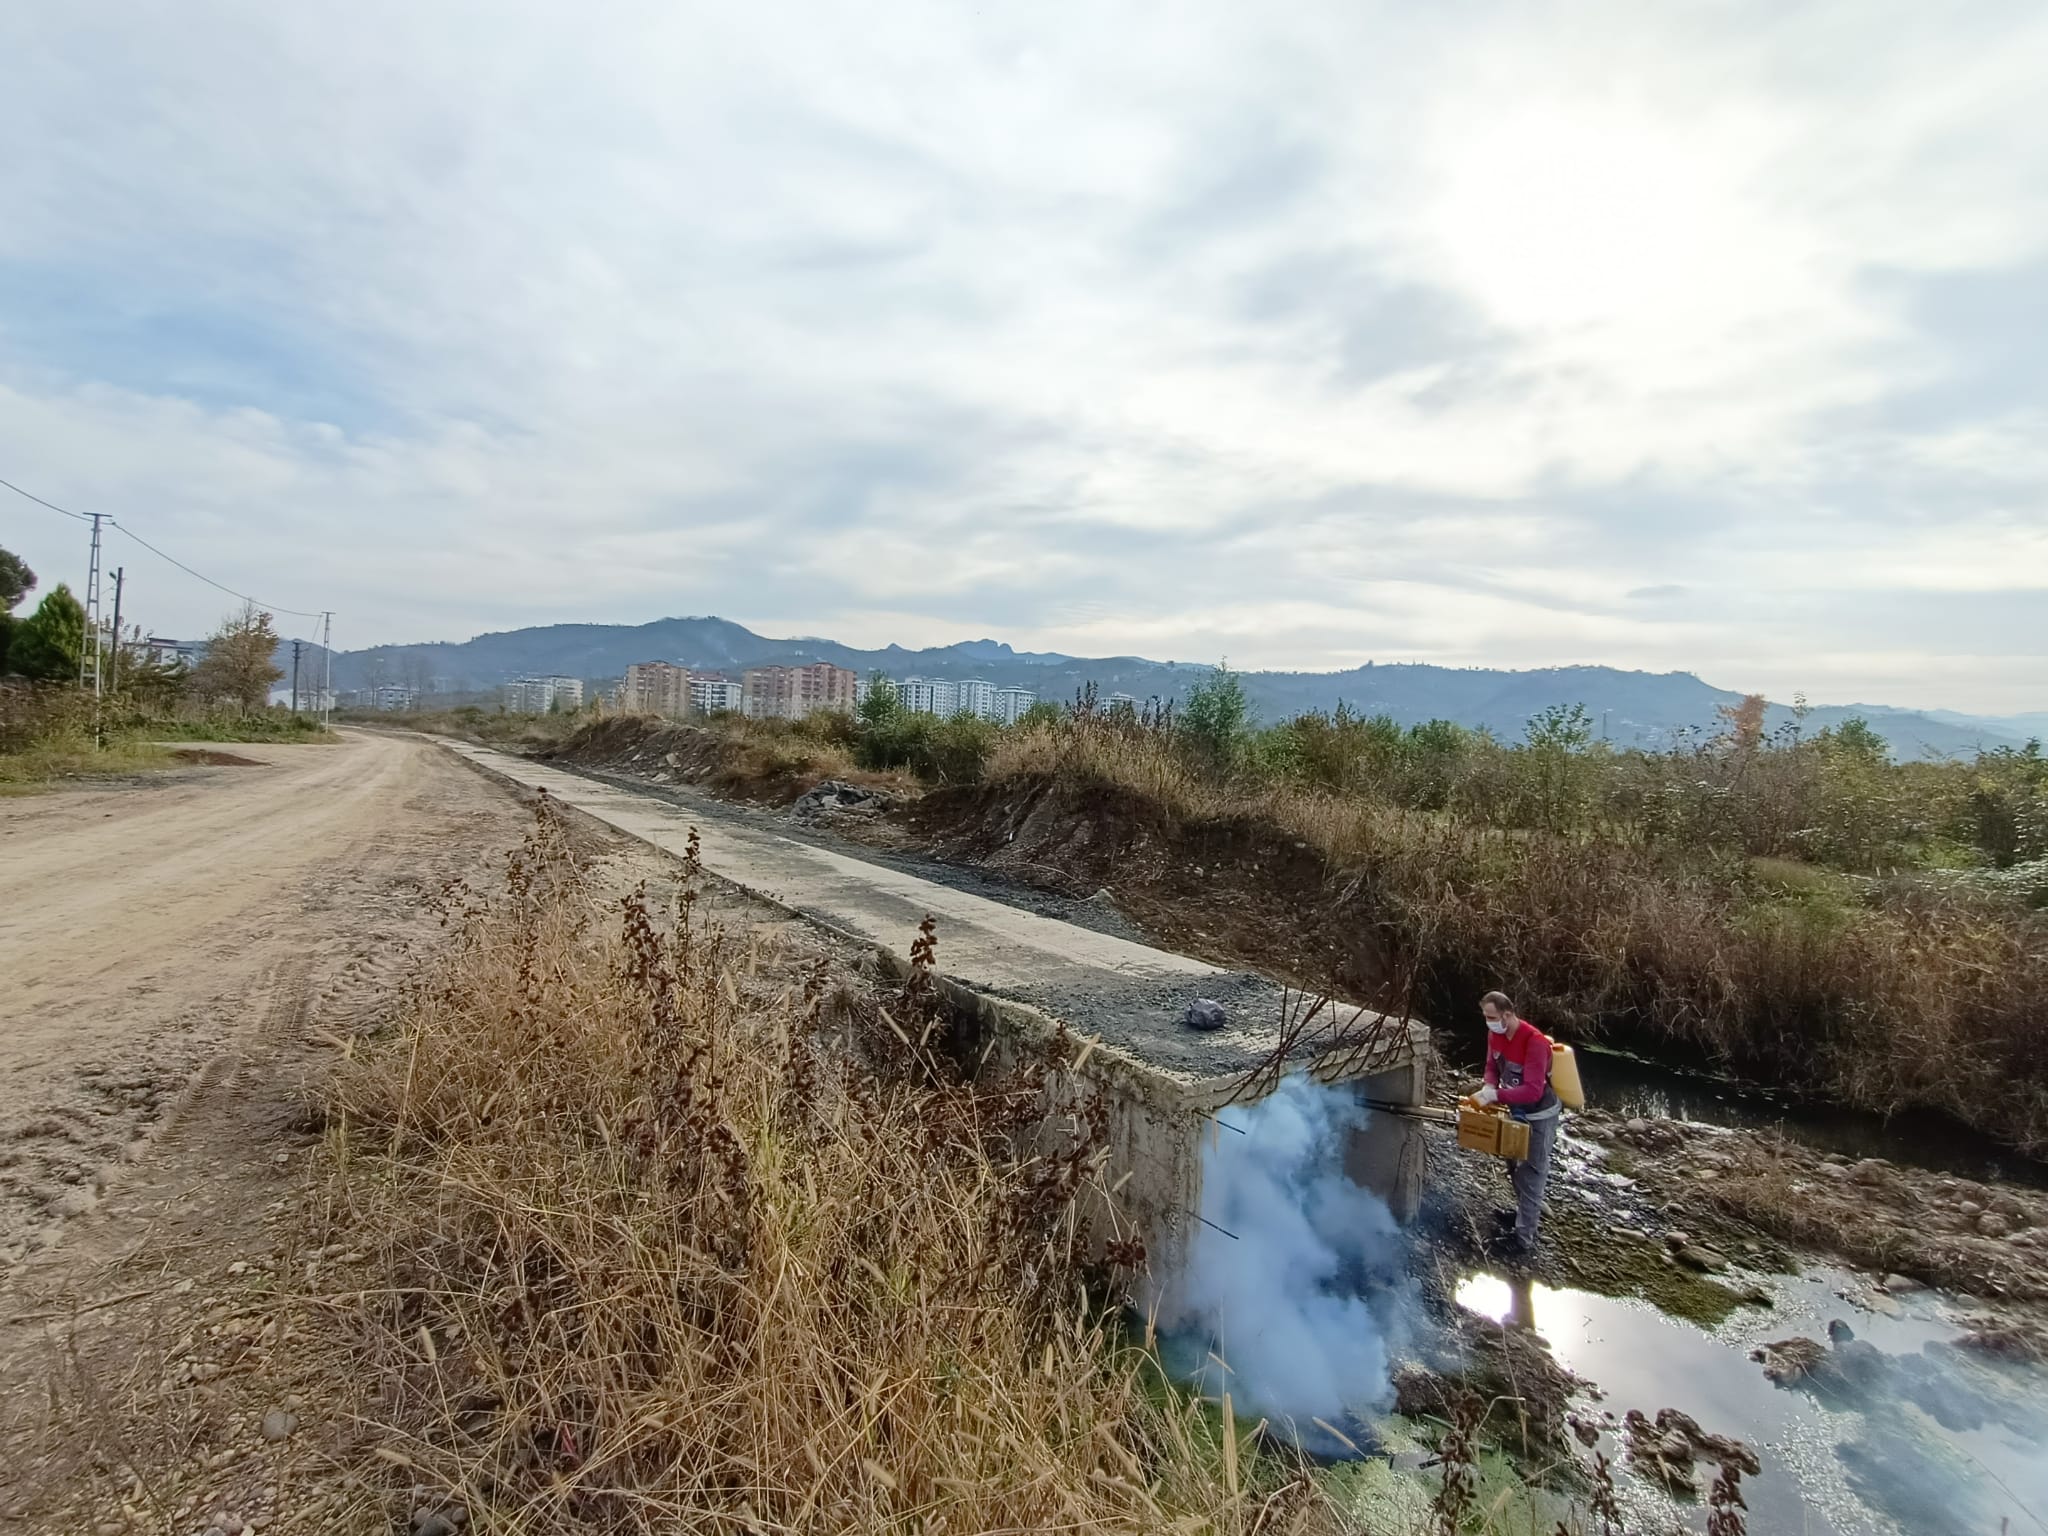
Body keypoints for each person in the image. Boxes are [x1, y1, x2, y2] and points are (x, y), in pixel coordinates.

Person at [1473, 990, 1561, 1259]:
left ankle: (1523, 1240)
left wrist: (1496, 1095)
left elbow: (1533, 1090)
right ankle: (1522, 1214)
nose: (1488, 1022)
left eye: (1492, 1017)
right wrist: (1489, 1083)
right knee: (1513, 1162)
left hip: (1539, 1114)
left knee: (1532, 1172)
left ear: (1507, 1014)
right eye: (1486, 1017)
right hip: (1515, 1109)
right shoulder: (1495, 1034)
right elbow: (1491, 1065)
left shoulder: (1534, 1042)